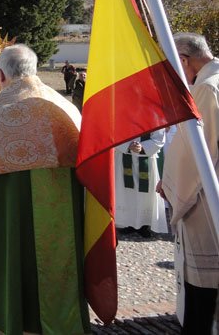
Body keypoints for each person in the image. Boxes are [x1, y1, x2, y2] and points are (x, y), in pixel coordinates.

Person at [0, 44, 90, 334]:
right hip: (60, 224)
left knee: (9, 271)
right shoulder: (65, 107)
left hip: (7, 220)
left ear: (1, 75)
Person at [161, 32, 219, 334]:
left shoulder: (207, 89)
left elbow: (197, 152)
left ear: (185, 60)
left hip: (207, 202)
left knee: (203, 289)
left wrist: (169, 185)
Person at [115, 129, 168, 238]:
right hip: (124, 157)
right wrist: (128, 145)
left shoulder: (154, 113)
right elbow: (113, 132)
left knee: (145, 194)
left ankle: (144, 224)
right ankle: (128, 222)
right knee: (127, 192)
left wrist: (143, 147)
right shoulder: (121, 112)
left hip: (146, 160)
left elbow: (159, 137)